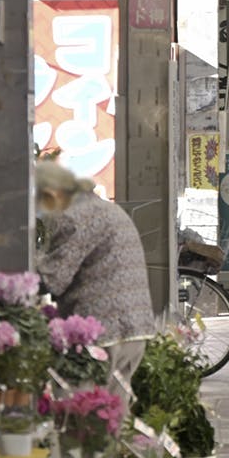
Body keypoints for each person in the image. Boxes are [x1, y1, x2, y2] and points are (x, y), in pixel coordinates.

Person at [35, 161, 156, 378]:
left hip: (102, 332)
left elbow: (52, 279)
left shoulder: (73, 217)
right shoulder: (107, 209)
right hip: (134, 328)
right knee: (113, 408)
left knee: (80, 406)